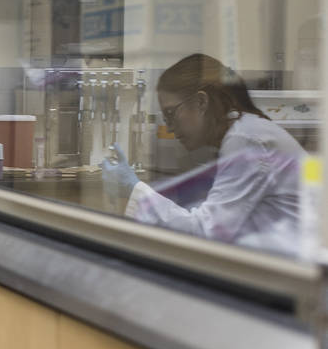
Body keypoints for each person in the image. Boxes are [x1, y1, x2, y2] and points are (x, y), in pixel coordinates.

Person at [102, 53, 305, 254]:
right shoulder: (244, 132)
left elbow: (205, 232)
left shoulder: (246, 140)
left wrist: (133, 188)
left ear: (201, 102)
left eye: (171, 114)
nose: (170, 128)